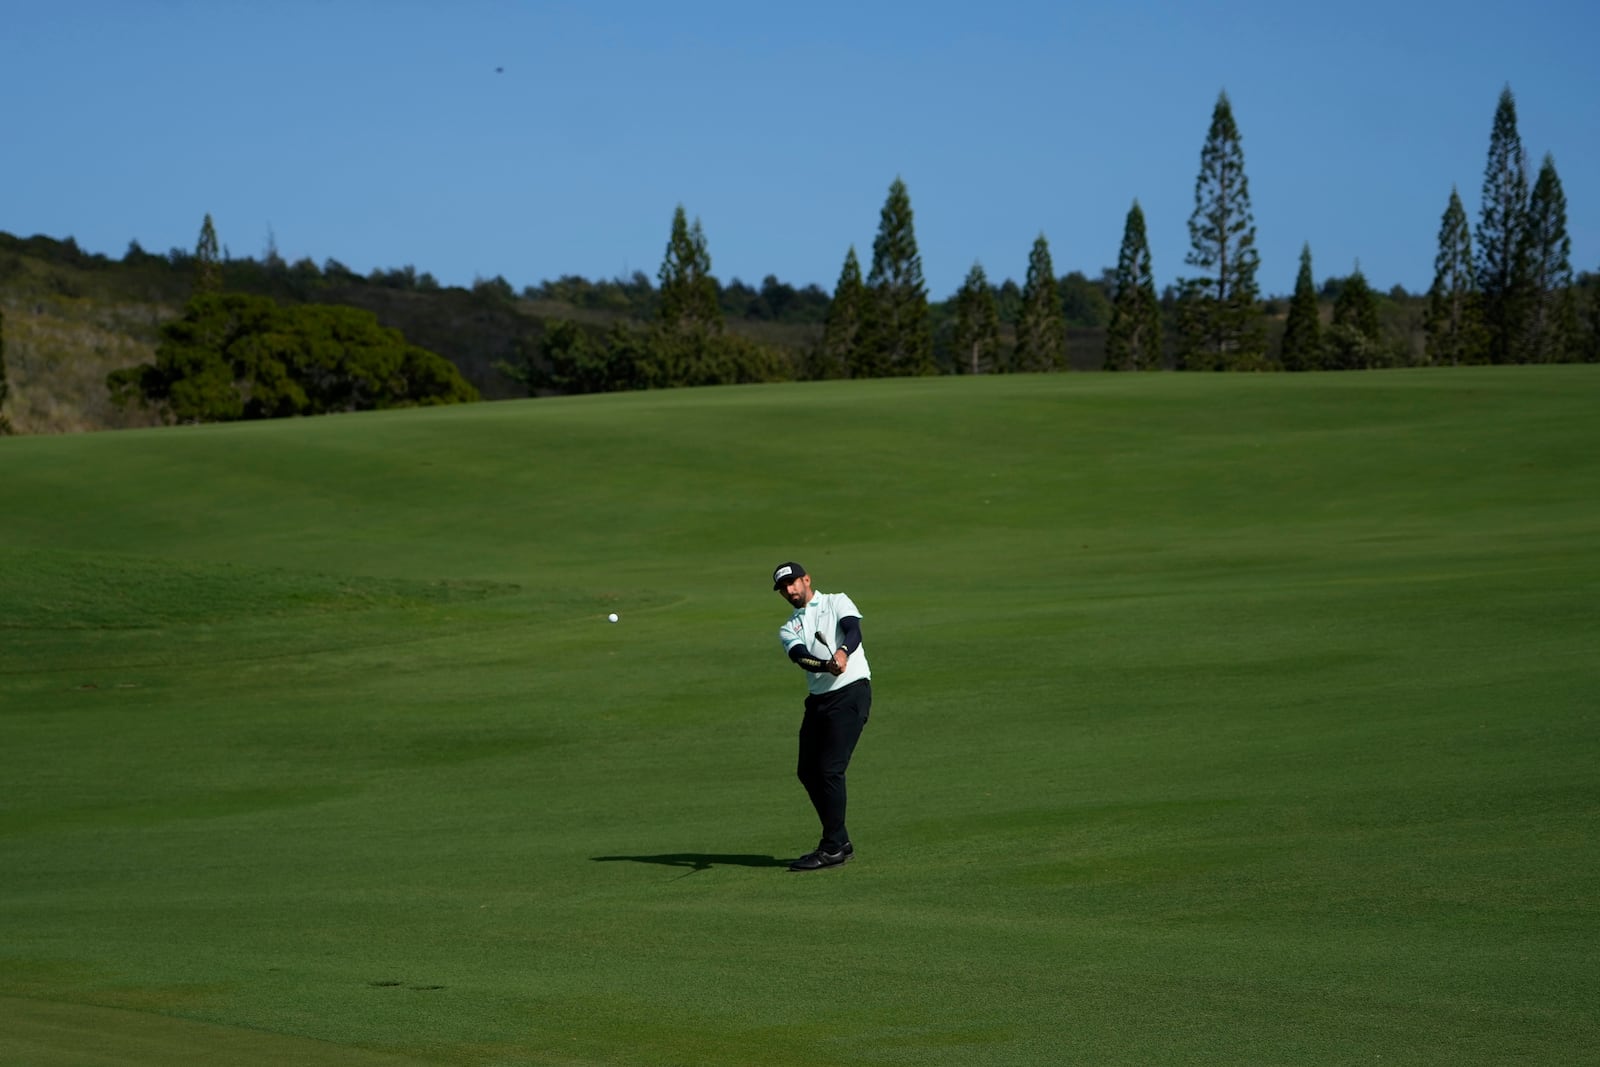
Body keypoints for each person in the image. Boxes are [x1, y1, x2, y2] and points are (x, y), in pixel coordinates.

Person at [771, 561, 872, 871]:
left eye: (793, 583)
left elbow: (854, 630)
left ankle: (832, 847)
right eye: (783, 589)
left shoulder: (836, 601)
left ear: (806, 580)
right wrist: (823, 664)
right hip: (819, 701)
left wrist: (842, 653)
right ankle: (839, 841)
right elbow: (800, 656)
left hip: (851, 692)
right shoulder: (789, 627)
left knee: (829, 769)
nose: (789, 591)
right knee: (808, 771)